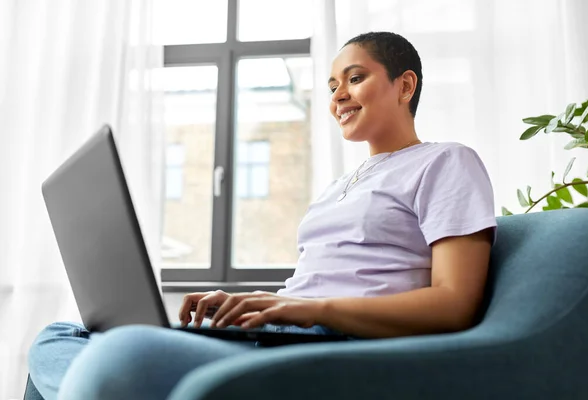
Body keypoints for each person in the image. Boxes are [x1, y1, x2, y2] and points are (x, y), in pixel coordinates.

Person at [26, 31, 496, 400]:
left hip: (328, 345)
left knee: (118, 355)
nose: (338, 97)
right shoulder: (339, 187)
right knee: (60, 336)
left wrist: (308, 309)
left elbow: (455, 304)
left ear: (405, 85)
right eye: (332, 86)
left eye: (354, 79)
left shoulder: (445, 162)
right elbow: (313, 285)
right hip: (278, 333)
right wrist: (254, 299)